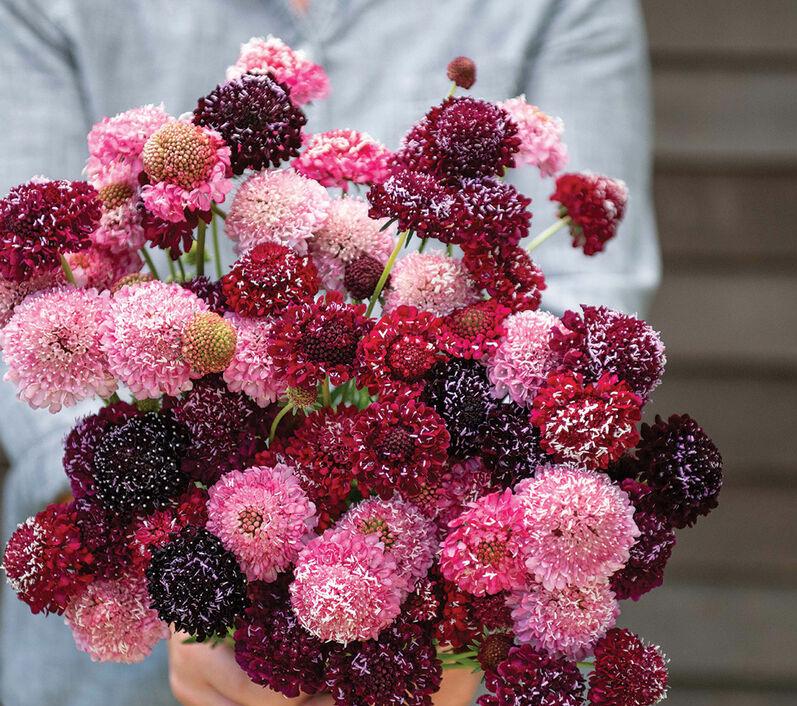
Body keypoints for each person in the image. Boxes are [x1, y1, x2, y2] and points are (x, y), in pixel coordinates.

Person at [0, 1, 658, 704]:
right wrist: (171, 558)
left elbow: (587, 307)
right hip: (122, 639)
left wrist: (439, 616)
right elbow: (20, 284)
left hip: (436, 626)